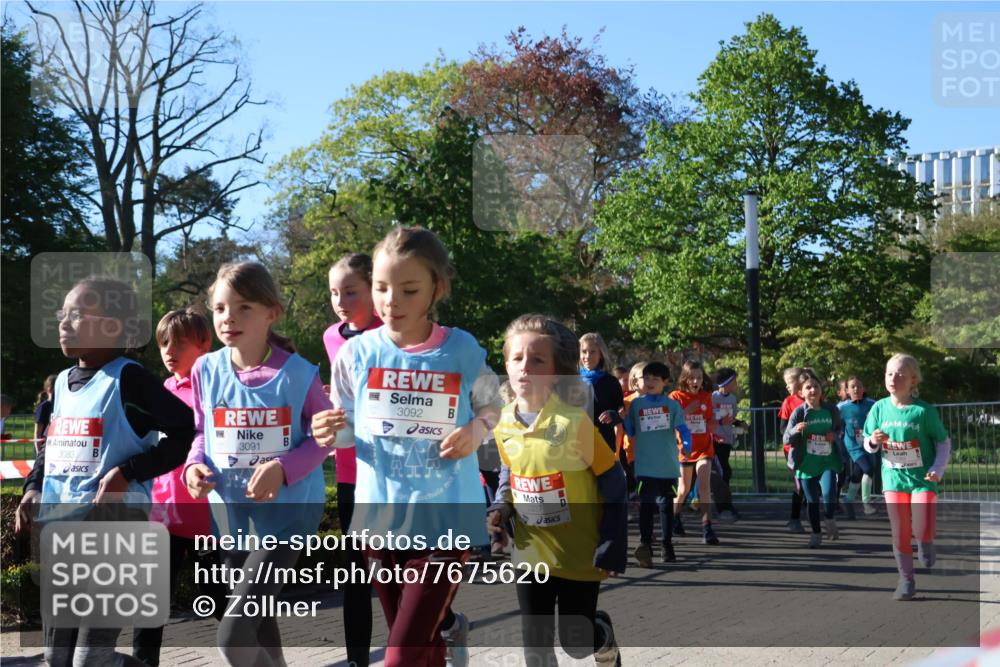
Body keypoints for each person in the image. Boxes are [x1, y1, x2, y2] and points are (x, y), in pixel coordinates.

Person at [312, 226, 501, 667]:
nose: (390, 301)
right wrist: (328, 431)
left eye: (408, 289)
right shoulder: (355, 355)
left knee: (399, 656)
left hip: (444, 523)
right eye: (380, 288)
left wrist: (475, 430)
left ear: (437, 289)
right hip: (379, 523)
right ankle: (449, 638)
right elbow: (347, 428)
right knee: (422, 651)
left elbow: (494, 406)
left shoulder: (461, 349)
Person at [15, 276, 196, 667]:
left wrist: (128, 472)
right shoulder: (61, 384)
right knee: (56, 657)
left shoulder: (129, 378)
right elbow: (53, 449)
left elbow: (184, 429)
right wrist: (32, 488)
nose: (63, 322)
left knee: (89, 659)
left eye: (76, 314)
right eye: (62, 314)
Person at [183, 262, 338, 666]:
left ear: (272, 312)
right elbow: (203, 433)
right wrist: (193, 467)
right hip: (232, 516)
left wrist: (282, 468)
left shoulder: (300, 374)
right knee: (259, 621)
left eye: (243, 307)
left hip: (288, 519)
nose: (228, 317)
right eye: (219, 308)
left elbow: (325, 441)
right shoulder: (205, 369)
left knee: (232, 635)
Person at [488, 314, 626, 667]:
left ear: (556, 371)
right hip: (530, 548)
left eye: (538, 360)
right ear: (506, 364)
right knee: (535, 645)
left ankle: (602, 637)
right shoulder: (502, 422)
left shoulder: (573, 421)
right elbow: (509, 472)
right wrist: (499, 509)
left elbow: (613, 478)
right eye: (517, 358)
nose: (525, 368)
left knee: (576, 645)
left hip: (578, 551)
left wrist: (612, 541)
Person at [134, 307, 223, 666]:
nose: (169, 351)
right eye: (164, 344)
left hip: (207, 519)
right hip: (164, 514)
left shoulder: (218, 385)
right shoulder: (162, 390)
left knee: (218, 597)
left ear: (204, 344)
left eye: (180, 343)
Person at [322, 253, 381, 667]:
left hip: (394, 471)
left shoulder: (395, 331)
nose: (341, 300)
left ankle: (445, 625)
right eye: (334, 293)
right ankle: (358, 660)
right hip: (349, 469)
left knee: (400, 573)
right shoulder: (331, 336)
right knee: (356, 574)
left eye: (350, 291)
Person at [863, 354, 950, 601]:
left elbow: (943, 442)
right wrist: (872, 441)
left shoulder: (923, 411)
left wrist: (937, 469)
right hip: (893, 479)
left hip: (923, 479)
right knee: (899, 531)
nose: (894, 378)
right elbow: (868, 442)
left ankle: (925, 541)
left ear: (913, 380)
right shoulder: (878, 408)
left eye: (900, 374)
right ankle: (906, 580)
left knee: (921, 528)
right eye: (890, 373)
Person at [623, 361, 691, 566]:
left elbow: (683, 428)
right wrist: (623, 419)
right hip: (644, 466)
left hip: (667, 465)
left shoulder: (671, 405)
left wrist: (687, 443)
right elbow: (631, 431)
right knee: (646, 505)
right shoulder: (636, 405)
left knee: (665, 505)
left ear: (665, 382)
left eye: (655, 378)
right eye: (647, 378)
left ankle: (667, 545)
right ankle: (645, 545)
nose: (650, 382)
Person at [784, 374, 844, 548]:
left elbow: (840, 428)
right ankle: (816, 533)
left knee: (829, 494)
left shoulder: (831, 409)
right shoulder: (799, 412)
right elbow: (786, 437)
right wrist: (796, 430)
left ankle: (830, 518)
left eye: (816, 387)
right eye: (808, 387)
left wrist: (835, 434)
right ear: (801, 393)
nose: (813, 390)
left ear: (821, 391)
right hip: (806, 463)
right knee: (812, 501)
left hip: (828, 460)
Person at [669, 360, 720, 545]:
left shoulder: (707, 396)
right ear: (685, 379)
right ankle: (674, 517)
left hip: (705, 448)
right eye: (692, 378)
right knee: (683, 489)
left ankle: (707, 527)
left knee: (705, 484)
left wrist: (716, 423)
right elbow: (670, 420)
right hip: (685, 449)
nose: (696, 382)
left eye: (699, 377)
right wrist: (685, 412)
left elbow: (711, 420)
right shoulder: (676, 396)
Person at [838, 375, 878, 519]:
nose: (856, 389)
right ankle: (866, 504)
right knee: (868, 468)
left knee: (858, 472)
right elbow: (832, 419)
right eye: (852, 387)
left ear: (864, 388)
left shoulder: (872, 404)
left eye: (859, 386)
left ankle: (848, 500)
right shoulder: (842, 407)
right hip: (853, 444)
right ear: (847, 390)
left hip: (869, 443)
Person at [579, 332, 624, 453]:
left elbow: (621, 413)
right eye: (584, 351)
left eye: (592, 352)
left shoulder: (611, 382)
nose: (587, 356)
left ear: (601, 355)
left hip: (604, 443)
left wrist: (614, 415)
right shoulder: (571, 380)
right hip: (576, 444)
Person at [778, 367, 806, 533]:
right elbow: (782, 429)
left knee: (811, 483)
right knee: (799, 484)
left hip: (811, 448)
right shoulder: (788, 402)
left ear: (799, 382)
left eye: (789, 382)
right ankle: (794, 519)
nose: (787, 386)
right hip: (792, 449)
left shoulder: (813, 398)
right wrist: (795, 430)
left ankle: (807, 509)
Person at [33, 375, 57, 453]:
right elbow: (37, 433)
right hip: (44, 448)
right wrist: (38, 453)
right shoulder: (43, 407)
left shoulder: (61, 406)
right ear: (49, 388)